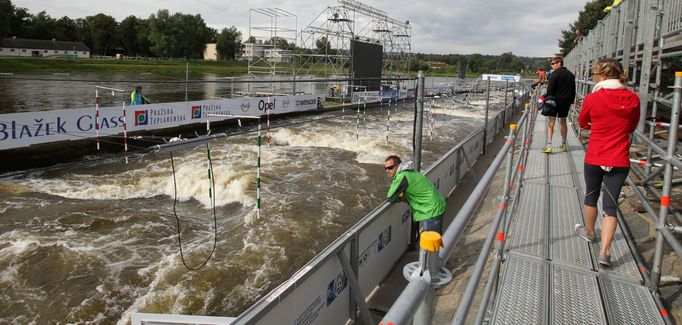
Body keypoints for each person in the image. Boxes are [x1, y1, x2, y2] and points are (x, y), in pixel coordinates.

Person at [574, 58, 640, 267]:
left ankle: (590, 232)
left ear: (602, 76)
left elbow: (582, 122)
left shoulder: (594, 98)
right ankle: (605, 253)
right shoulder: (633, 99)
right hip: (619, 158)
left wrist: (598, 124)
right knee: (610, 207)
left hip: (596, 155)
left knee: (591, 197)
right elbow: (632, 126)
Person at [384, 155, 446, 234]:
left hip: (431, 211)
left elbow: (390, 197)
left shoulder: (401, 176)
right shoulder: (409, 171)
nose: (387, 171)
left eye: (390, 168)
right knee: (435, 240)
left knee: (431, 243)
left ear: (398, 165)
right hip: (435, 206)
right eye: (385, 168)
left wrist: (401, 198)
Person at [542, 56, 576, 153]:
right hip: (565, 102)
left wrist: (546, 99)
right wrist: (571, 101)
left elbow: (550, 90)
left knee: (550, 123)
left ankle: (549, 146)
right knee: (563, 122)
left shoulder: (555, 74)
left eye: (553, 63)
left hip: (554, 102)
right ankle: (564, 144)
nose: (551, 65)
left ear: (559, 63)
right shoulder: (571, 75)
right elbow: (573, 90)